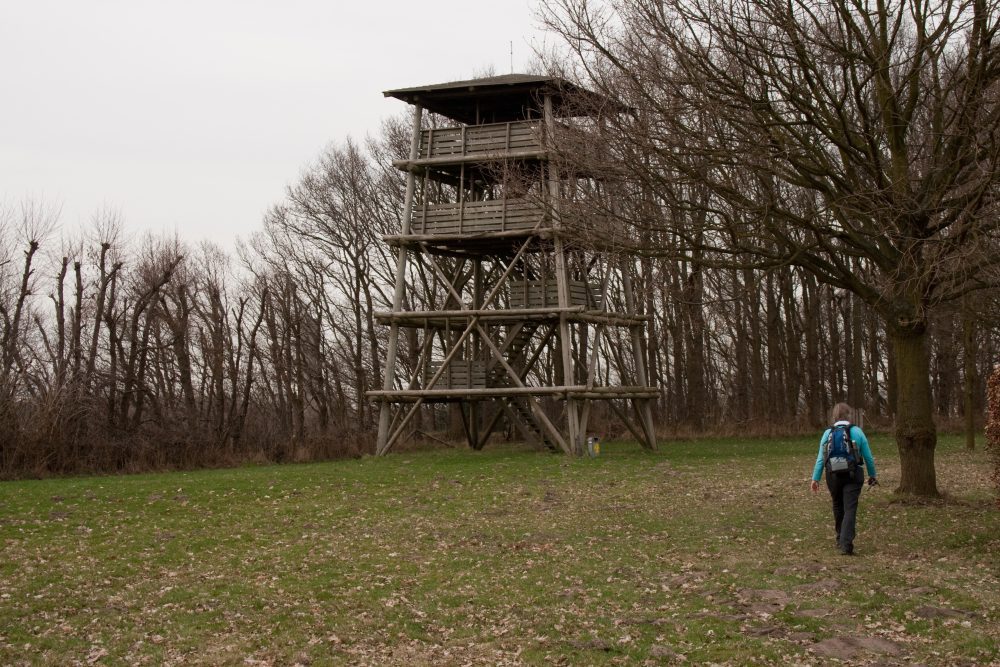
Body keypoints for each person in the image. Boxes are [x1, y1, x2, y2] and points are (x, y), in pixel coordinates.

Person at [810, 403, 877, 555]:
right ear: (849, 415)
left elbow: (821, 458)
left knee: (837, 505)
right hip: (853, 474)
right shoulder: (857, 432)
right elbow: (868, 457)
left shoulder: (828, 433)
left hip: (832, 475)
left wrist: (815, 478)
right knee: (850, 508)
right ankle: (846, 544)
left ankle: (840, 537)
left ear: (834, 417)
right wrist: (872, 475)